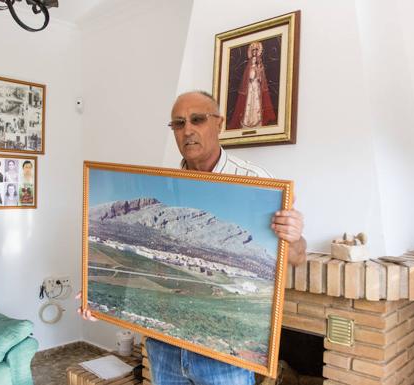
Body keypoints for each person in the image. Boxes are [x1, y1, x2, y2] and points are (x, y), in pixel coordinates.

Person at [81, 91, 306, 385]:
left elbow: (297, 257)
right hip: (164, 349)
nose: (188, 130)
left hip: (224, 358)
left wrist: (295, 236)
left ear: (219, 124)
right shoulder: (164, 182)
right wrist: (94, 293)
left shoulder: (259, 184)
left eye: (197, 119)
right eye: (178, 123)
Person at [227, 41, 277, 130]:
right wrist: (250, 78)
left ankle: (257, 120)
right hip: (250, 86)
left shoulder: (260, 65)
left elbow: (262, 77)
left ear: (258, 52)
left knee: (256, 101)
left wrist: (258, 75)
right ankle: (247, 121)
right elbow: (246, 76)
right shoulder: (249, 65)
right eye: (253, 50)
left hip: (256, 85)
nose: (254, 53)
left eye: (256, 51)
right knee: (249, 101)